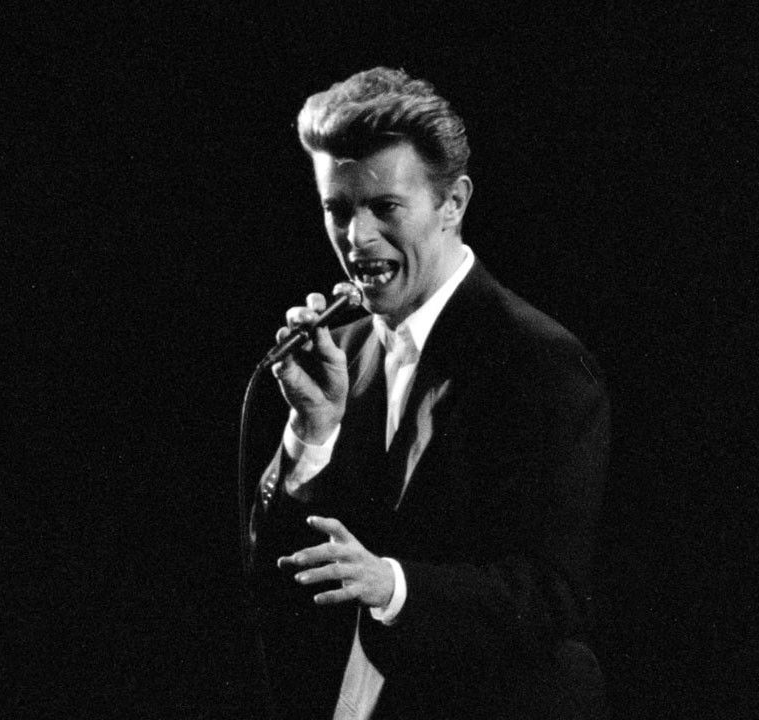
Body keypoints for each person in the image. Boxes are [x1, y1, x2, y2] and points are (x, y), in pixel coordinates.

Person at [249, 67, 610, 719]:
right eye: (338, 209)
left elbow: (553, 594)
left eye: (385, 208)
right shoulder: (342, 353)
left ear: (453, 203)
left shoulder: (541, 361)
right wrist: (311, 435)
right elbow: (278, 581)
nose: (356, 238)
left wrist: (394, 585)